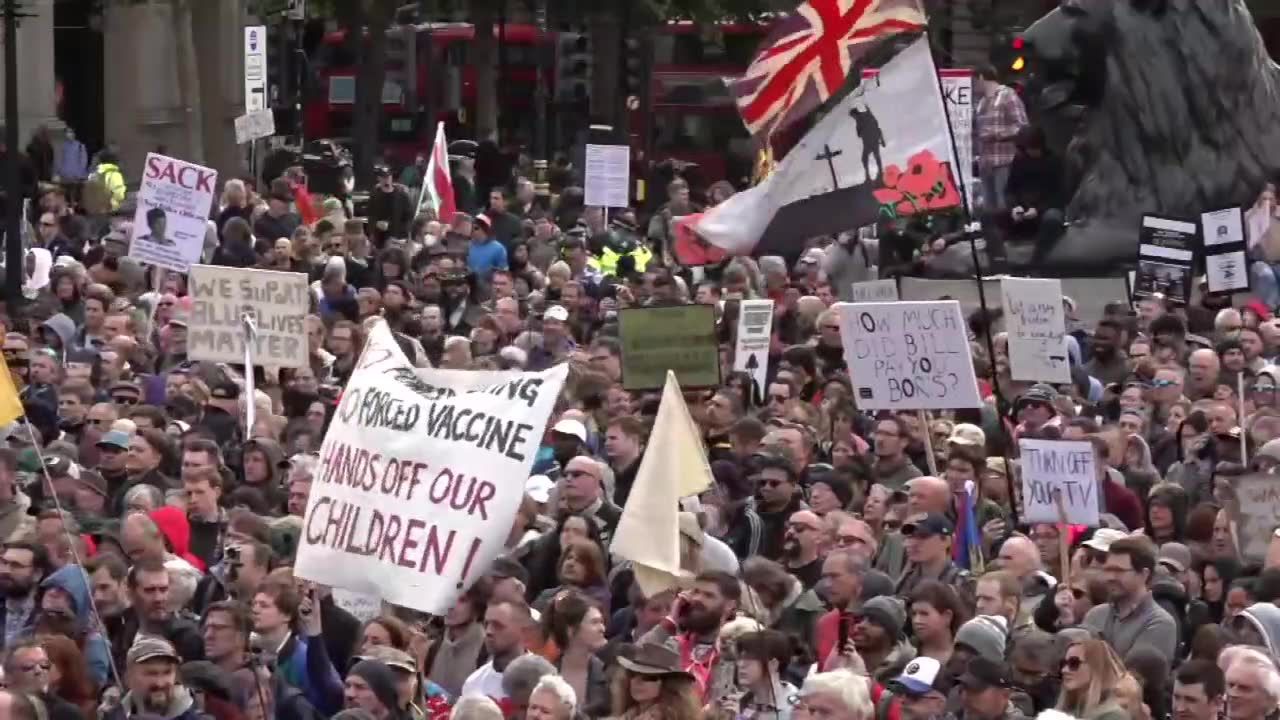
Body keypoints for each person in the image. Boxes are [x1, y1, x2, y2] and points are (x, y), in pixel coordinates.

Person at [1082, 536, 1178, 661]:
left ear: (1144, 574)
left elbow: (1137, 677)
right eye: (1108, 570)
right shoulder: (1095, 615)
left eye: (1119, 571)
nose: (1111, 577)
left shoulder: (1159, 623)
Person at [103, 637, 204, 720]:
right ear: (129, 678)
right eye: (151, 673)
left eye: (167, 672)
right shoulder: (114, 716)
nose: (160, 683)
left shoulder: (195, 717)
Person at [461, 600, 533, 701]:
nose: (489, 631)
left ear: (524, 631)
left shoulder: (541, 682)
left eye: (498, 625)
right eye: (486, 624)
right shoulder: (474, 683)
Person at [610, 641, 702, 720]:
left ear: (668, 684)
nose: (636, 682)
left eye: (648, 677)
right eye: (632, 675)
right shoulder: (628, 715)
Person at [1055, 639, 1127, 720]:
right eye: (1063, 663)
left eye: (1074, 663)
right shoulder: (1067, 709)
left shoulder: (1113, 715)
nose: (1064, 670)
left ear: (1096, 667)